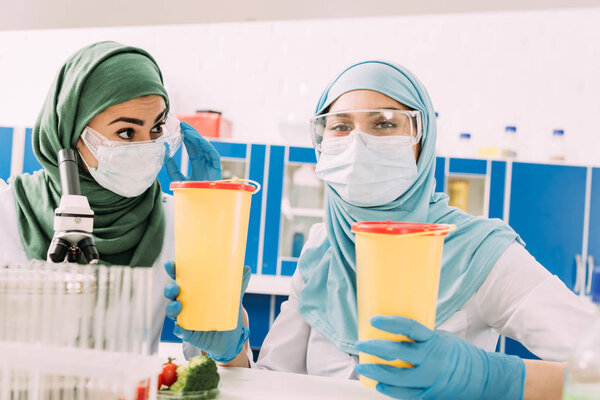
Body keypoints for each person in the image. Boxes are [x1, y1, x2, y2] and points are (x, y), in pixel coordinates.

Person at [166, 61, 598, 398]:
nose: (357, 142)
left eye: (384, 123)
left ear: (422, 141)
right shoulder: (322, 249)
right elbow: (277, 384)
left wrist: (494, 380)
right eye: (339, 126)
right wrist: (230, 352)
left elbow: (594, 369)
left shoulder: (479, 251)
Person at [0, 41, 248, 359]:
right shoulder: (8, 213)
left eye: (157, 128)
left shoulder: (177, 226)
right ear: (70, 134)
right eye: (127, 133)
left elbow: (219, 375)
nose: (148, 147)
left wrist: (227, 348)